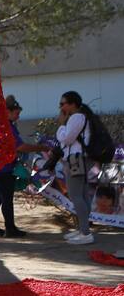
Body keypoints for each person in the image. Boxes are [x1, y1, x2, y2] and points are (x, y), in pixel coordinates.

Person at [0, 96, 51, 238]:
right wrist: (42, 147)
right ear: (7, 111)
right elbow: (20, 146)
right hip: (4, 168)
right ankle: (10, 228)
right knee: (6, 199)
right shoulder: (8, 127)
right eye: (16, 112)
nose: (18, 115)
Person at [57, 92, 95, 244]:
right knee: (83, 195)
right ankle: (83, 229)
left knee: (76, 195)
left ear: (72, 104)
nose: (61, 107)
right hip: (80, 158)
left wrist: (60, 126)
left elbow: (66, 139)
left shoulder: (76, 117)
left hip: (75, 159)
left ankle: (85, 233)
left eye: (63, 103)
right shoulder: (82, 117)